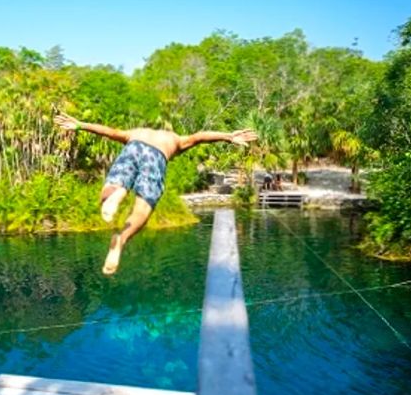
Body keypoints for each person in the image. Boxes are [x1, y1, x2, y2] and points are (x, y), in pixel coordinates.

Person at [53, 112, 258, 274]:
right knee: (143, 207)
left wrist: (80, 124)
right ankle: (121, 240)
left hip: (132, 147)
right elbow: (200, 137)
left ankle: (119, 192)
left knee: (114, 186)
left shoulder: (136, 131)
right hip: (156, 156)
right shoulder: (175, 140)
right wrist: (228, 136)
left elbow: (110, 131)